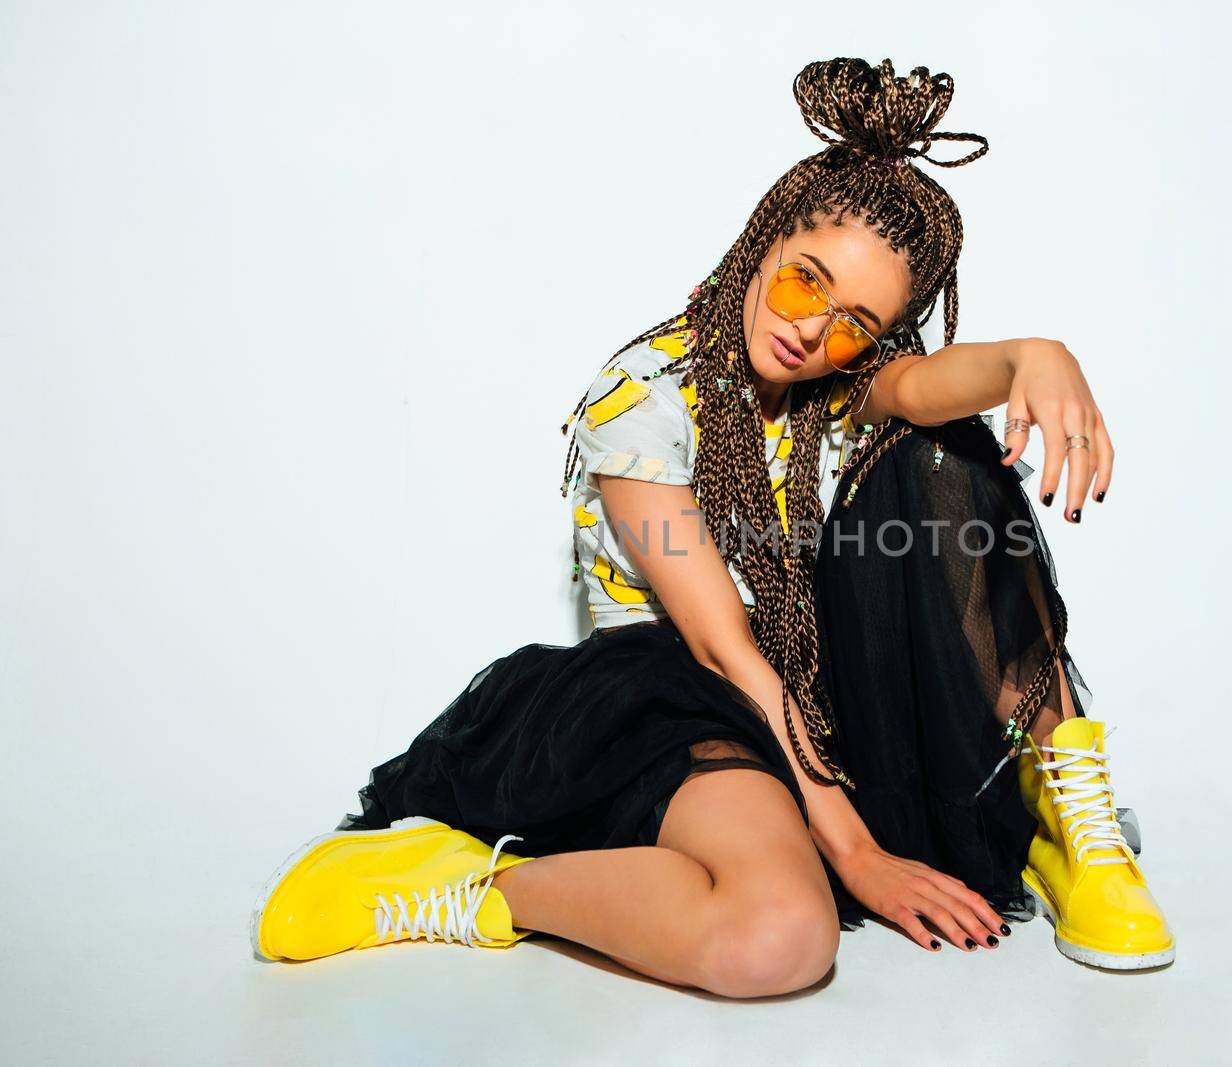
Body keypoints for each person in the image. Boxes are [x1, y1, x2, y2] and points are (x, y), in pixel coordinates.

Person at [249, 57, 1175, 997]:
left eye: (855, 323)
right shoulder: (641, 404)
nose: (814, 332)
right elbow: (721, 644)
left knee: (946, 452)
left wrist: (1033, 356)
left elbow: (920, 385)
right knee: (779, 938)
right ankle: (484, 888)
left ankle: (1067, 816)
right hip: (672, 697)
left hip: (809, 697)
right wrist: (854, 853)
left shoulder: (837, 390)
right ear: (766, 234)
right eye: (805, 283)